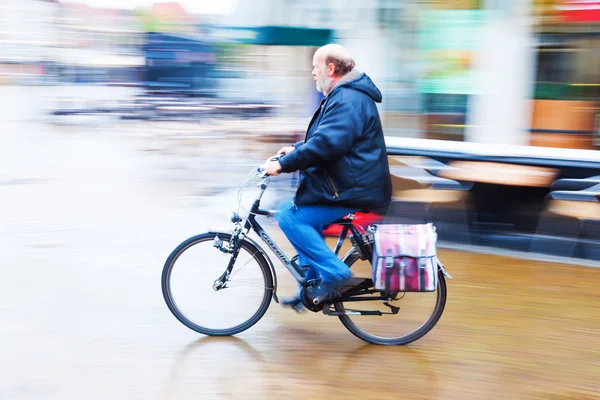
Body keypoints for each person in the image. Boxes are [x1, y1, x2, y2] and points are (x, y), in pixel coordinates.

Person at [261, 44, 392, 310]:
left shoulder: (348, 99)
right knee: (302, 217)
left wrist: (283, 165)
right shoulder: (346, 96)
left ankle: (335, 275)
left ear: (330, 69)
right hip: (347, 183)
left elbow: (327, 145)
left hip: (352, 187)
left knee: (289, 216)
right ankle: (308, 292)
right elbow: (328, 139)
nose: (312, 72)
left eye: (315, 67)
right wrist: (296, 150)